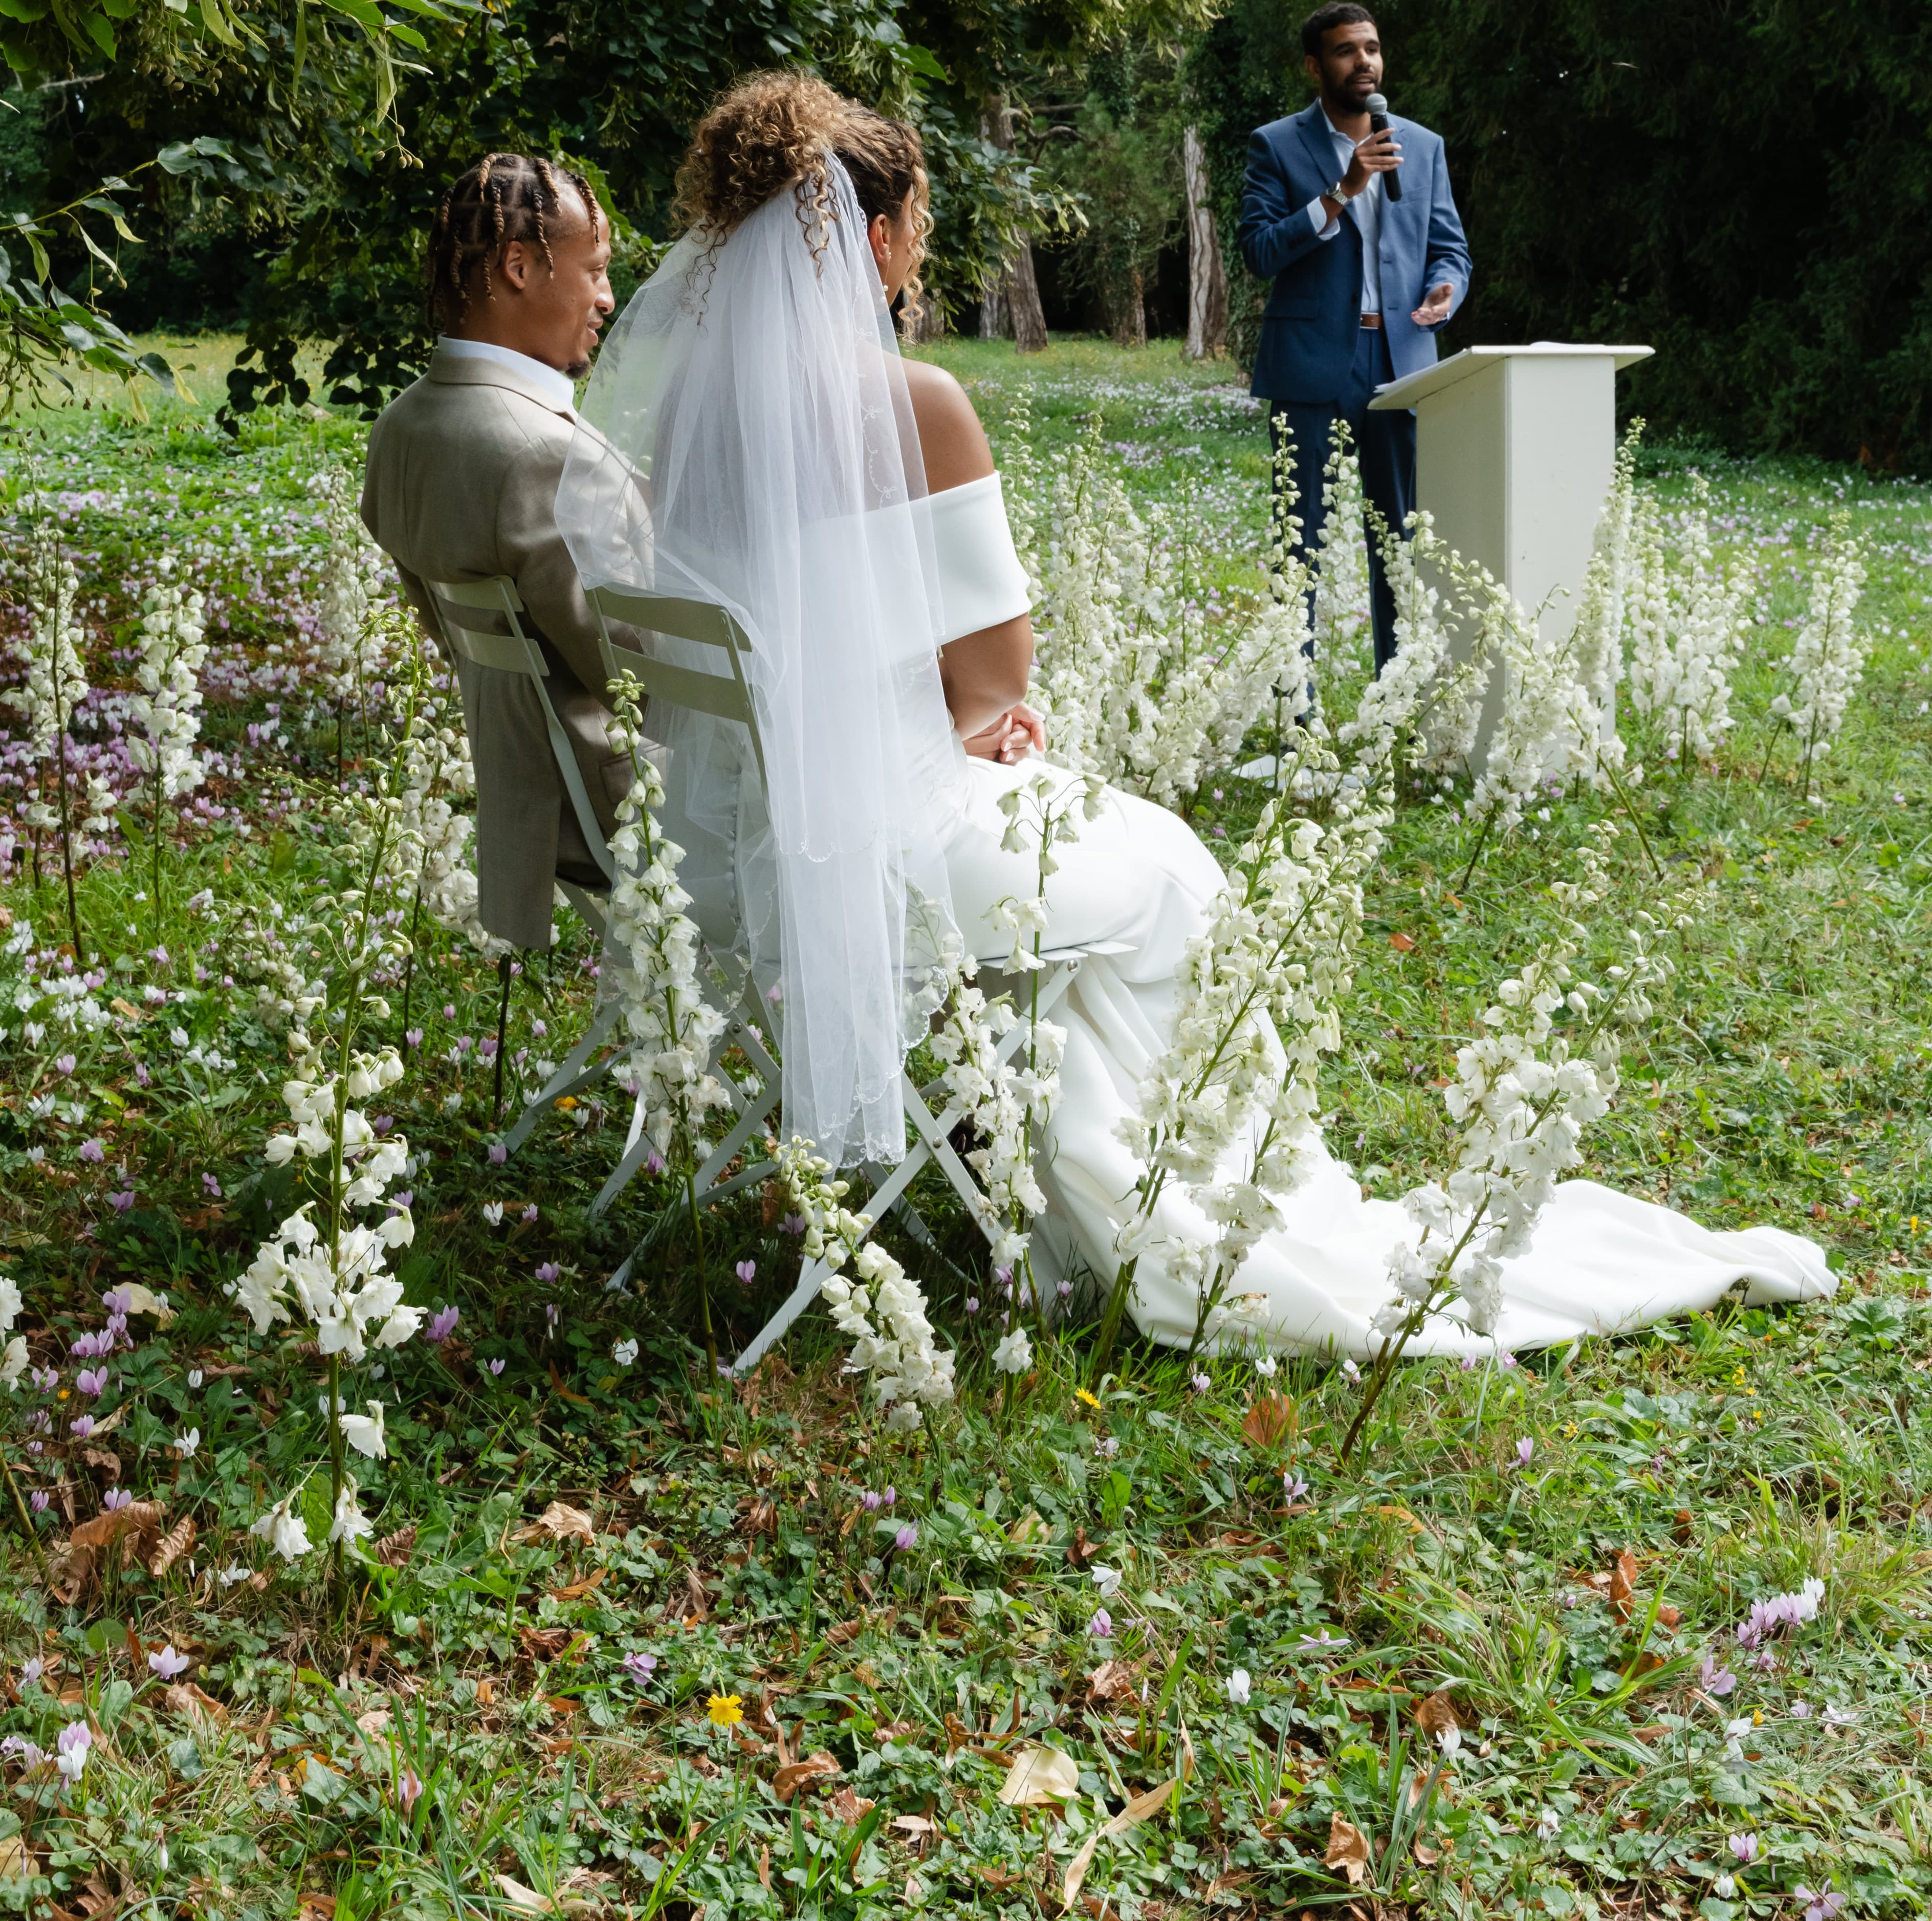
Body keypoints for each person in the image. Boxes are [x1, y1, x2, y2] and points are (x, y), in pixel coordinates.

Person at [556, 73, 1832, 1354]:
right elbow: (997, 684)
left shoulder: (686, 417)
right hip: (896, 851)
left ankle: (1074, 1198)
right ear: (873, 238)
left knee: (1100, 876)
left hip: (745, 859)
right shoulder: (920, 405)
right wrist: (983, 724)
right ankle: (1193, 1216)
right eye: (917, 232)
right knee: (1167, 866)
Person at [361, 151, 625, 952]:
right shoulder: (535, 453)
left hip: (530, 796)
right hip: (631, 807)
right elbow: (648, 671)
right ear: (519, 266)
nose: (607, 298)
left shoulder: (402, 429)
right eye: (595, 271)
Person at [1240, 2, 1472, 667]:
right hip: (1311, 360)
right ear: (1315, 66)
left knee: (1400, 539)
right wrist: (1341, 191)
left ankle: (1396, 702)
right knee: (1300, 536)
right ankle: (1295, 707)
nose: (1363, 60)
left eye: (1371, 48)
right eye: (1346, 50)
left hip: (1401, 360)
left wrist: (1446, 289)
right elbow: (1259, 252)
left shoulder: (1421, 146)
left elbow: (1450, 249)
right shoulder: (1276, 145)